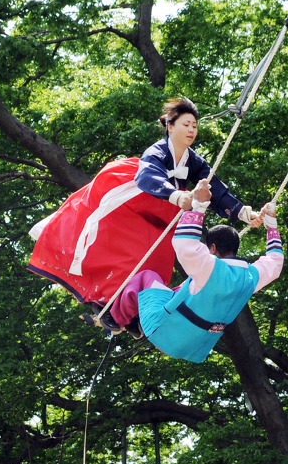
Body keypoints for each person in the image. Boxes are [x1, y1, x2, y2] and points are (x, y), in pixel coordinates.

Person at [27, 97, 260, 319]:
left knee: (156, 260)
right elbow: (148, 175)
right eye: (186, 124)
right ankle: (102, 294)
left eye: (195, 126)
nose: (191, 130)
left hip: (164, 210)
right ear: (170, 126)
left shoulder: (193, 160)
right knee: (114, 244)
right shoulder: (157, 150)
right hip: (138, 196)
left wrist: (244, 213)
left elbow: (216, 189)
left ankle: (131, 311)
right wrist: (177, 195)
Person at [109, 183, 283, 361]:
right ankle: (134, 319)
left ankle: (117, 318)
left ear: (212, 248)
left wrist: (199, 206)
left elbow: (184, 244)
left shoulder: (211, 268)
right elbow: (275, 263)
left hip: (163, 330)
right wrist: (272, 228)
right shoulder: (250, 277)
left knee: (146, 276)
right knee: (182, 288)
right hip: (193, 347)